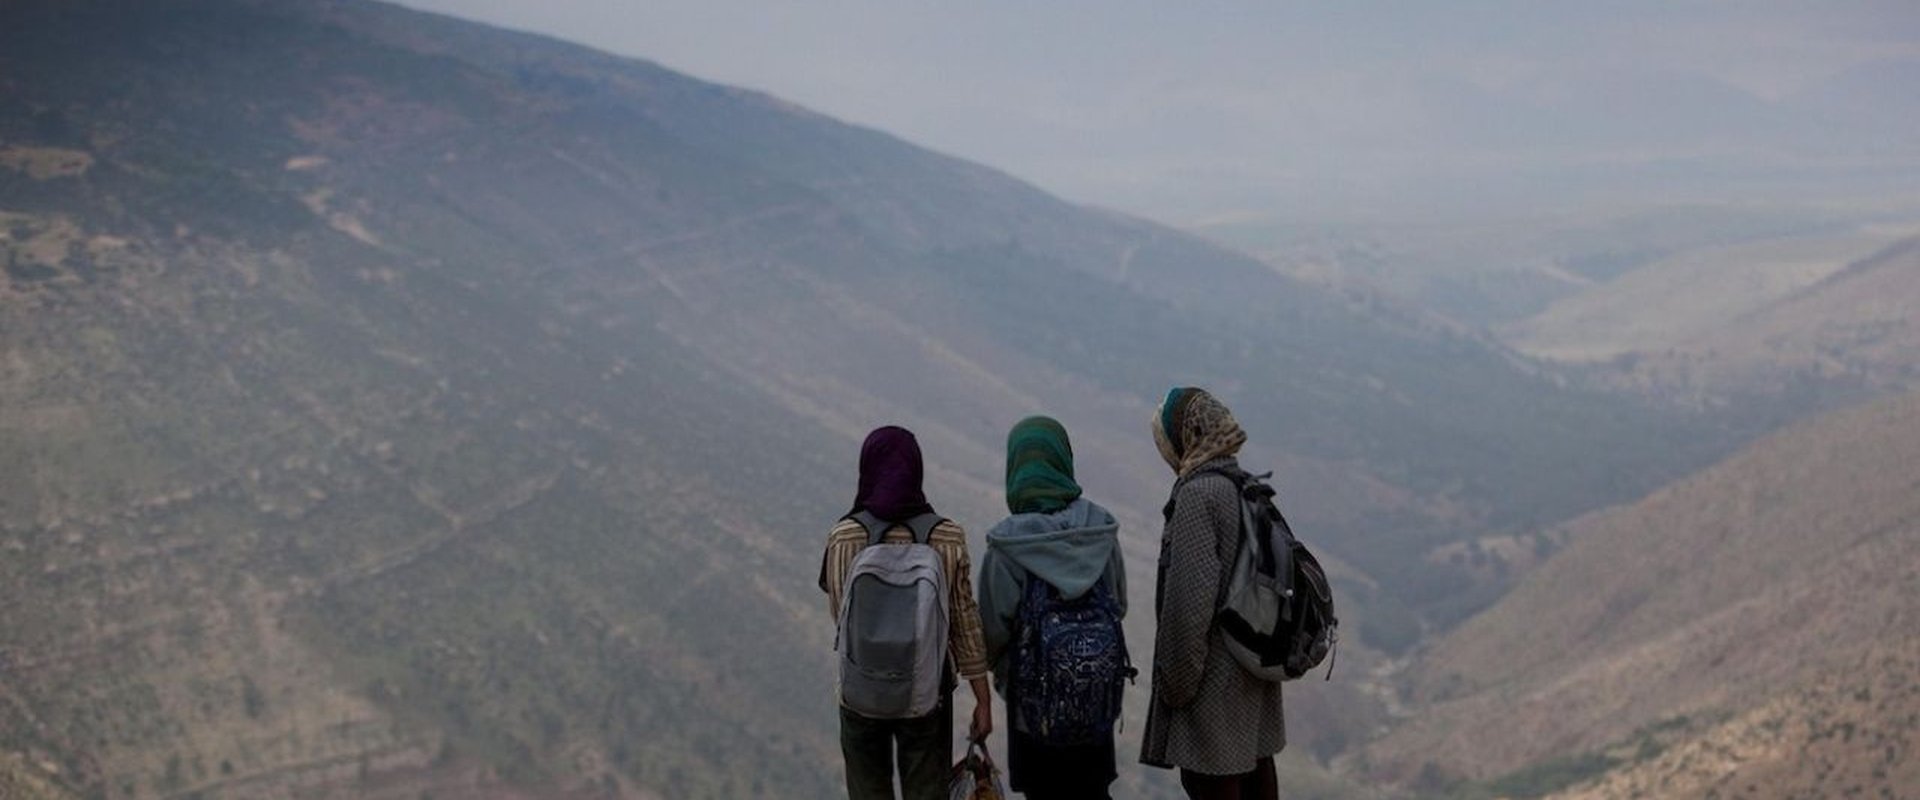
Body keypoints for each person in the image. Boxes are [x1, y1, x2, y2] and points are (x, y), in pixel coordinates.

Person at [821, 425, 994, 800]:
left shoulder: (845, 537)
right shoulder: (946, 536)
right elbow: (965, 625)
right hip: (928, 693)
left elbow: (842, 616)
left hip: (861, 693)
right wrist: (983, 698)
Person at [1140, 388, 1284, 800]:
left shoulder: (1198, 496)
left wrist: (1176, 688)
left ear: (1184, 438)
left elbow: (1189, 608)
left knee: (1214, 786)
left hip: (1212, 693)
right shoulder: (1245, 487)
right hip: (1254, 677)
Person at [978, 416, 1129, 800]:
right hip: (1095, 703)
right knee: (1094, 791)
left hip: (1033, 712)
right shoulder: (1099, 532)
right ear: (1064, 460)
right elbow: (1119, 605)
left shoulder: (1007, 548)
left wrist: (1006, 675)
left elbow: (992, 632)